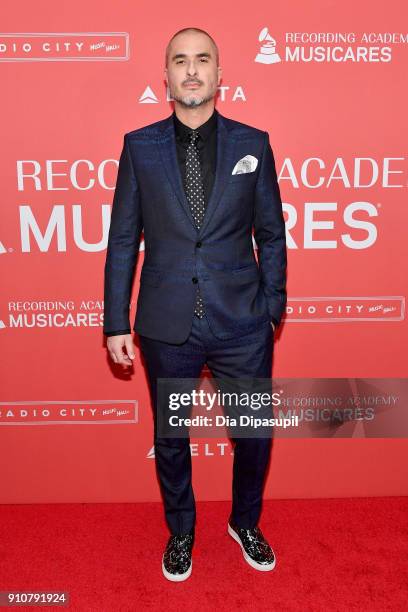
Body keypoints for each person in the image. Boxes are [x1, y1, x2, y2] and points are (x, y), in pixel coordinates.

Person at [103, 27, 287, 581]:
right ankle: (181, 530)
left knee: (254, 432)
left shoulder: (253, 144)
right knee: (171, 436)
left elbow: (272, 234)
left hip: (242, 322)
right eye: (179, 61)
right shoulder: (140, 146)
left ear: (219, 74)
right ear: (165, 76)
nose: (191, 70)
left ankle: (245, 522)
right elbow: (121, 240)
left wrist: (272, 305)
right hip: (166, 323)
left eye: (201, 60)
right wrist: (116, 320)